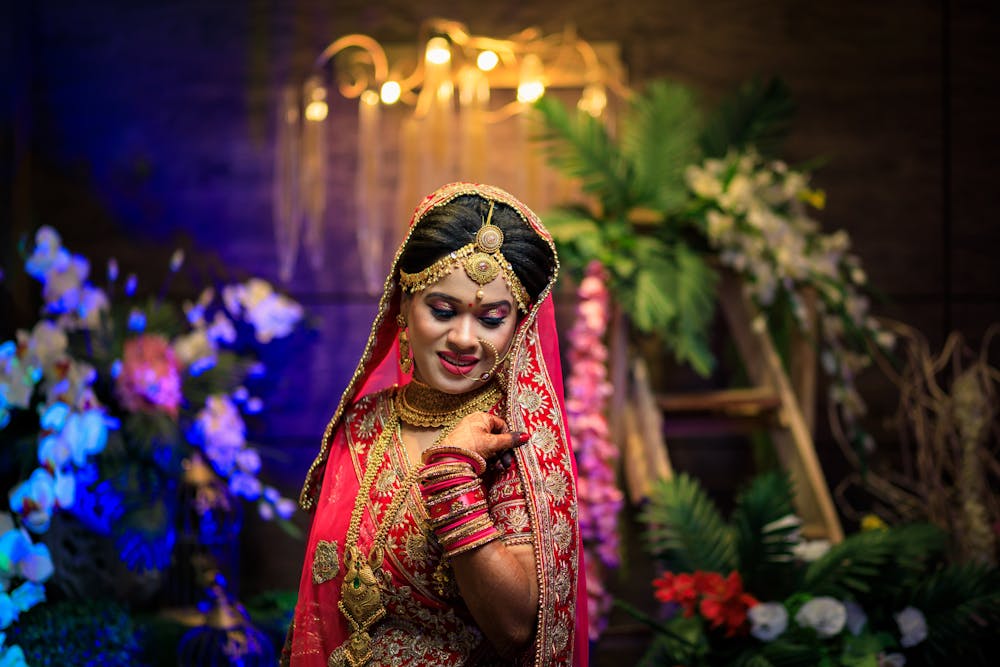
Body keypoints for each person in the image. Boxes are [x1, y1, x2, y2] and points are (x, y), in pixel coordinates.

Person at [284, 182, 587, 666]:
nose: (463, 338)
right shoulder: (364, 420)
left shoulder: (515, 443)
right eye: (442, 310)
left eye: (490, 319)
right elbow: (319, 608)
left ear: (518, 328)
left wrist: (453, 476)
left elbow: (515, 629)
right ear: (403, 305)